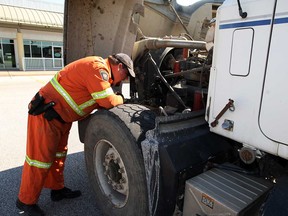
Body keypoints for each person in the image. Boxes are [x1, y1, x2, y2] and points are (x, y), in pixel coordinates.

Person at [16, 53, 135, 216]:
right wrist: (122, 99)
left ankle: (56, 190)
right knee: (39, 161)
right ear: (119, 66)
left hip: (61, 119)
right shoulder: (98, 68)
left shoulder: (102, 73)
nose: (125, 79)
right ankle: (25, 202)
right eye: (126, 74)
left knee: (58, 156)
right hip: (46, 115)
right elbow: (107, 101)